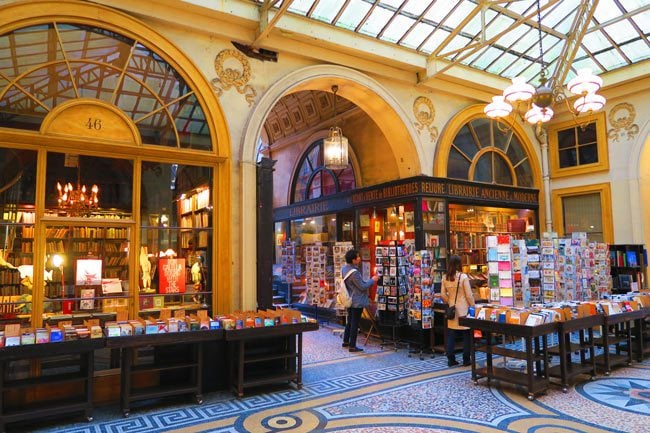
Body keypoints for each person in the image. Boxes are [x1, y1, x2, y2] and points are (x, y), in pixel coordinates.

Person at [342, 249, 379, 353]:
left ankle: (346, 341)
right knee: (355, 323)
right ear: (353, 260)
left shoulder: (344, 269)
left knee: (350, 321)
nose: (359, 258)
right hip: (356, 300)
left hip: (349, 298)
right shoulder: (354, 273)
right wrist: (373, 280)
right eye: (357, 257)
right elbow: (362, 286)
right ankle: (352, 346)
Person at [441, 255, 475, 367]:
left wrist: (450, 301)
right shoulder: (463, 277)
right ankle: (466, 359)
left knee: (451, 334)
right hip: (464, 310)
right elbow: (469, 295)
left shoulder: (445, 277)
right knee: (466, 334)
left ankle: (451, 359)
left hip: (452, 310)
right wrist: (473, 306)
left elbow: (442, 295)